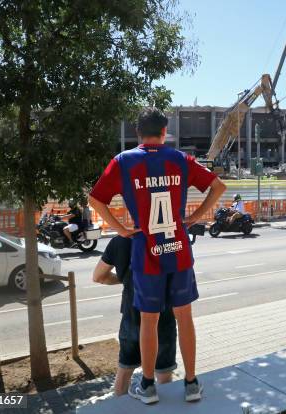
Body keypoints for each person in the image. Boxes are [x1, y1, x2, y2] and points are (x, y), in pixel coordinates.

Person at [89, 107, 226, 404]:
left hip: (146, 250)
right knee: (184, 318)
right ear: (165, 133)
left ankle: (147, 387)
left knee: (148, 321)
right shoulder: (180, 159)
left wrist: (121, 229)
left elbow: (95, 199)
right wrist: (195, 217)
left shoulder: (123, 161)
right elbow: (218, 187)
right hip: (177, 249)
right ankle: (191, 384)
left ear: (138, 133)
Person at [93, 236, 177, 395]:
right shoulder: (168, 238)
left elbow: (98, 276)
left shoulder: (120, 241)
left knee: (125, 370)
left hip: (132, 314)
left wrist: (124, 279)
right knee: (164, 376)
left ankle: (121, 409)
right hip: (163, 315)